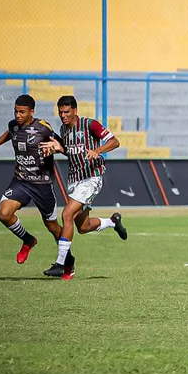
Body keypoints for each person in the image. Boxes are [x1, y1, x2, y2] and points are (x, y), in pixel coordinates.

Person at [0, 94, 76, 276]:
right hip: (21, 181)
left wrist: (58, 149)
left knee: (52, 226)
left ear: (32, 112)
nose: (18, 115)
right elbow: (10, 133)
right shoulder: (13, 125)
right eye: (16, 111)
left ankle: (68, 262)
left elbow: (63, 146)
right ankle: (28, 240)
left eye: (22, 112)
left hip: (42, 184)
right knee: (4, 214)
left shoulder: (43, 128)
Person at [39, 95, 128, 278]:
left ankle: (61, 264)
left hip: (92, 178)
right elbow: (72, 153)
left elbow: (115, 142)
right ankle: (113, 222)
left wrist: (98, 150)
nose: (63, 115)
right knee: (83, 227)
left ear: (75, 111)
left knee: (66, 214)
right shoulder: (63, 130)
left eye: (66, 112)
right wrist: (59, 149)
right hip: (74, 180)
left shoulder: (90, 125)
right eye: (60, 112)